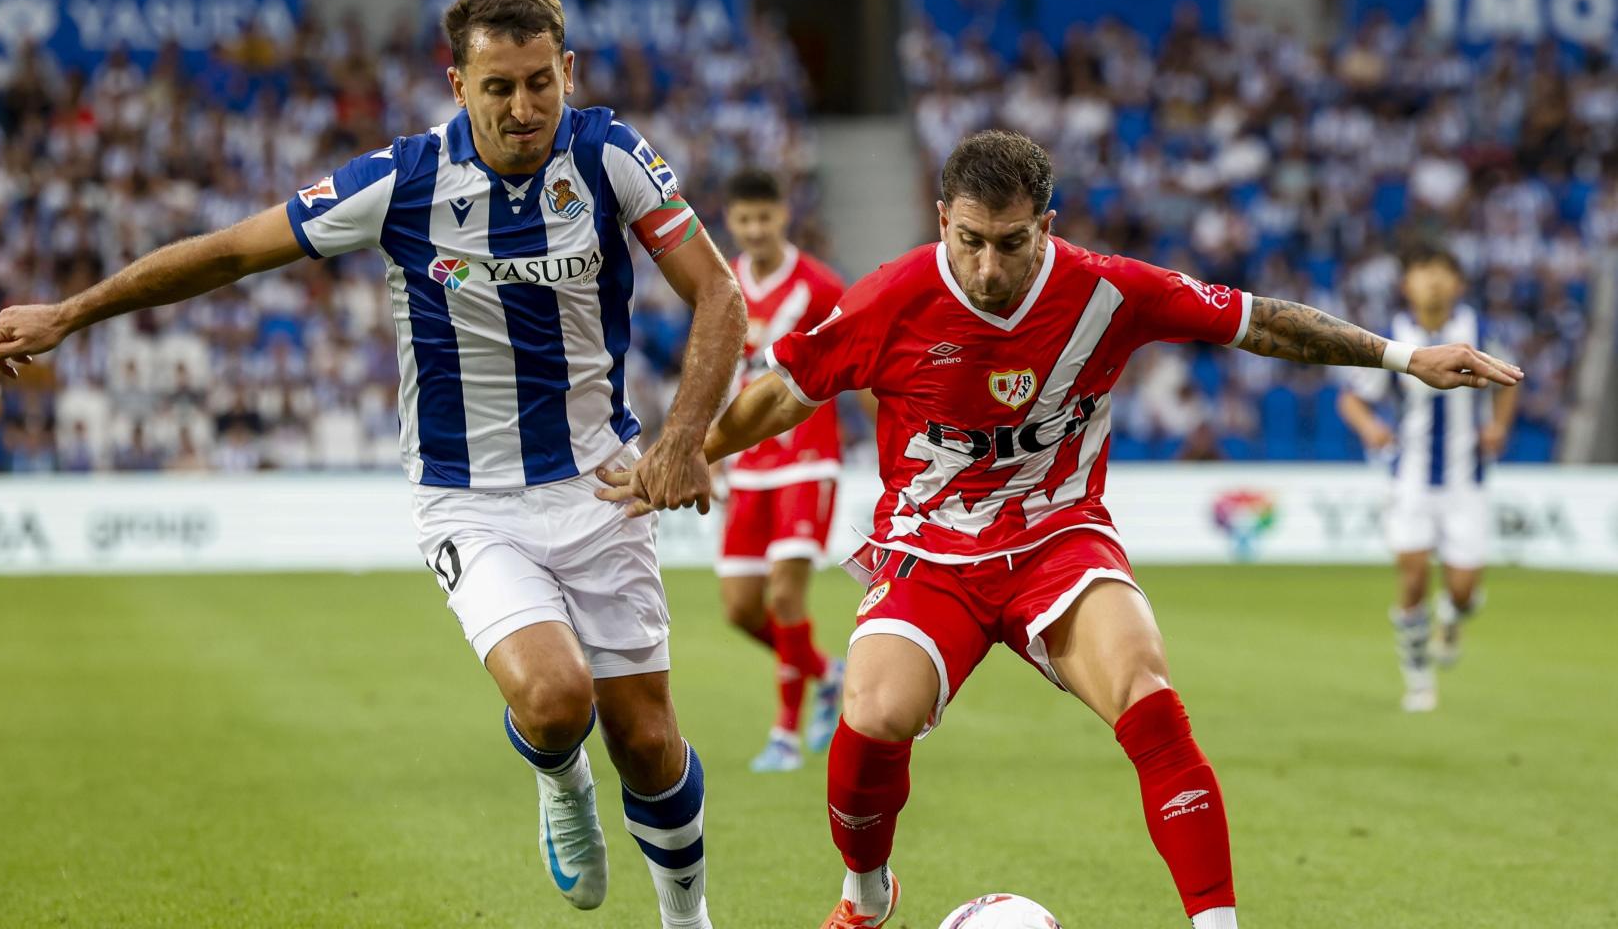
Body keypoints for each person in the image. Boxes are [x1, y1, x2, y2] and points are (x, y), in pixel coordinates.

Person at [0, 0, 746, 927]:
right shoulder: (402, 182)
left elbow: (720, 294)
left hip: (602, 486)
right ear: (456, 83)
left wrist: (681, 440)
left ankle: (686, 917)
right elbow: (230, 252)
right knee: (555, 700)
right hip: (470, 500)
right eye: (498, 86)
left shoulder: (611, 157)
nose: (522, 107)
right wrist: (72, 311)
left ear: (569, 72)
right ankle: (561, 783)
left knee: (650, 741)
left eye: (541, 82)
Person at [599, 130, 1522, 929]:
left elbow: (1264, 324)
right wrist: (688, 453)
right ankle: (868, 895)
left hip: (1058, 542)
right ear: (940, 219)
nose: (989, 269)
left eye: (1011, 243)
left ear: (1047, 224)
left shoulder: (1109, 290)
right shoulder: (892, 298)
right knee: (874, 715)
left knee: (1149, 692)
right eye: (968, 242)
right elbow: (778, 395)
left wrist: (1403, 357)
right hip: (931, 551)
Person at [1337, 247, 1516, 712]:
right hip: (1410, 481)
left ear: (1458, 285)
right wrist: (1371, 427)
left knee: (1462, 591)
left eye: (1443, 273)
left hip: (1466, 482)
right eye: (1423, 272)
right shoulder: (1393, 339)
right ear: (1407, 285)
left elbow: (1511, 381)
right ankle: (1418, 679)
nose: (1433, 281)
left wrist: (1497, 426)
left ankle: (1453, 618)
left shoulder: (1477, 332)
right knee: (1413, 580)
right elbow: (1353, 399)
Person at [718, 168, 847, 772]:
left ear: (783, 216)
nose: (754, 229)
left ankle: (785, 735)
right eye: (744, 219)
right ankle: (827, 674)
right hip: (748, 462)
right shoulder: (723, 283)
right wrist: (708, 448)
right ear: (731, 222)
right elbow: (720, 372)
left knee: (787, 595)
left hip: (807, 457)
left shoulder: (820, 287)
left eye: (764, 217)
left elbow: (857, 362)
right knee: (742, 607)